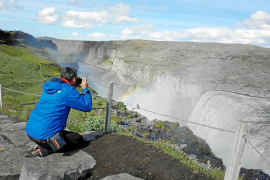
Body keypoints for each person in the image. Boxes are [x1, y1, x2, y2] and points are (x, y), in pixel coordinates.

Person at [24, 67, 92, 157]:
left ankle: (46, 145)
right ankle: (44, 150)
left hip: (30, 132)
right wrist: (85, 89)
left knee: (61, 133)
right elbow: (87, 106)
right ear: (74, 79)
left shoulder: (50, 87)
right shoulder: (68, 90)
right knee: (77, 139)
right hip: (44, 138)